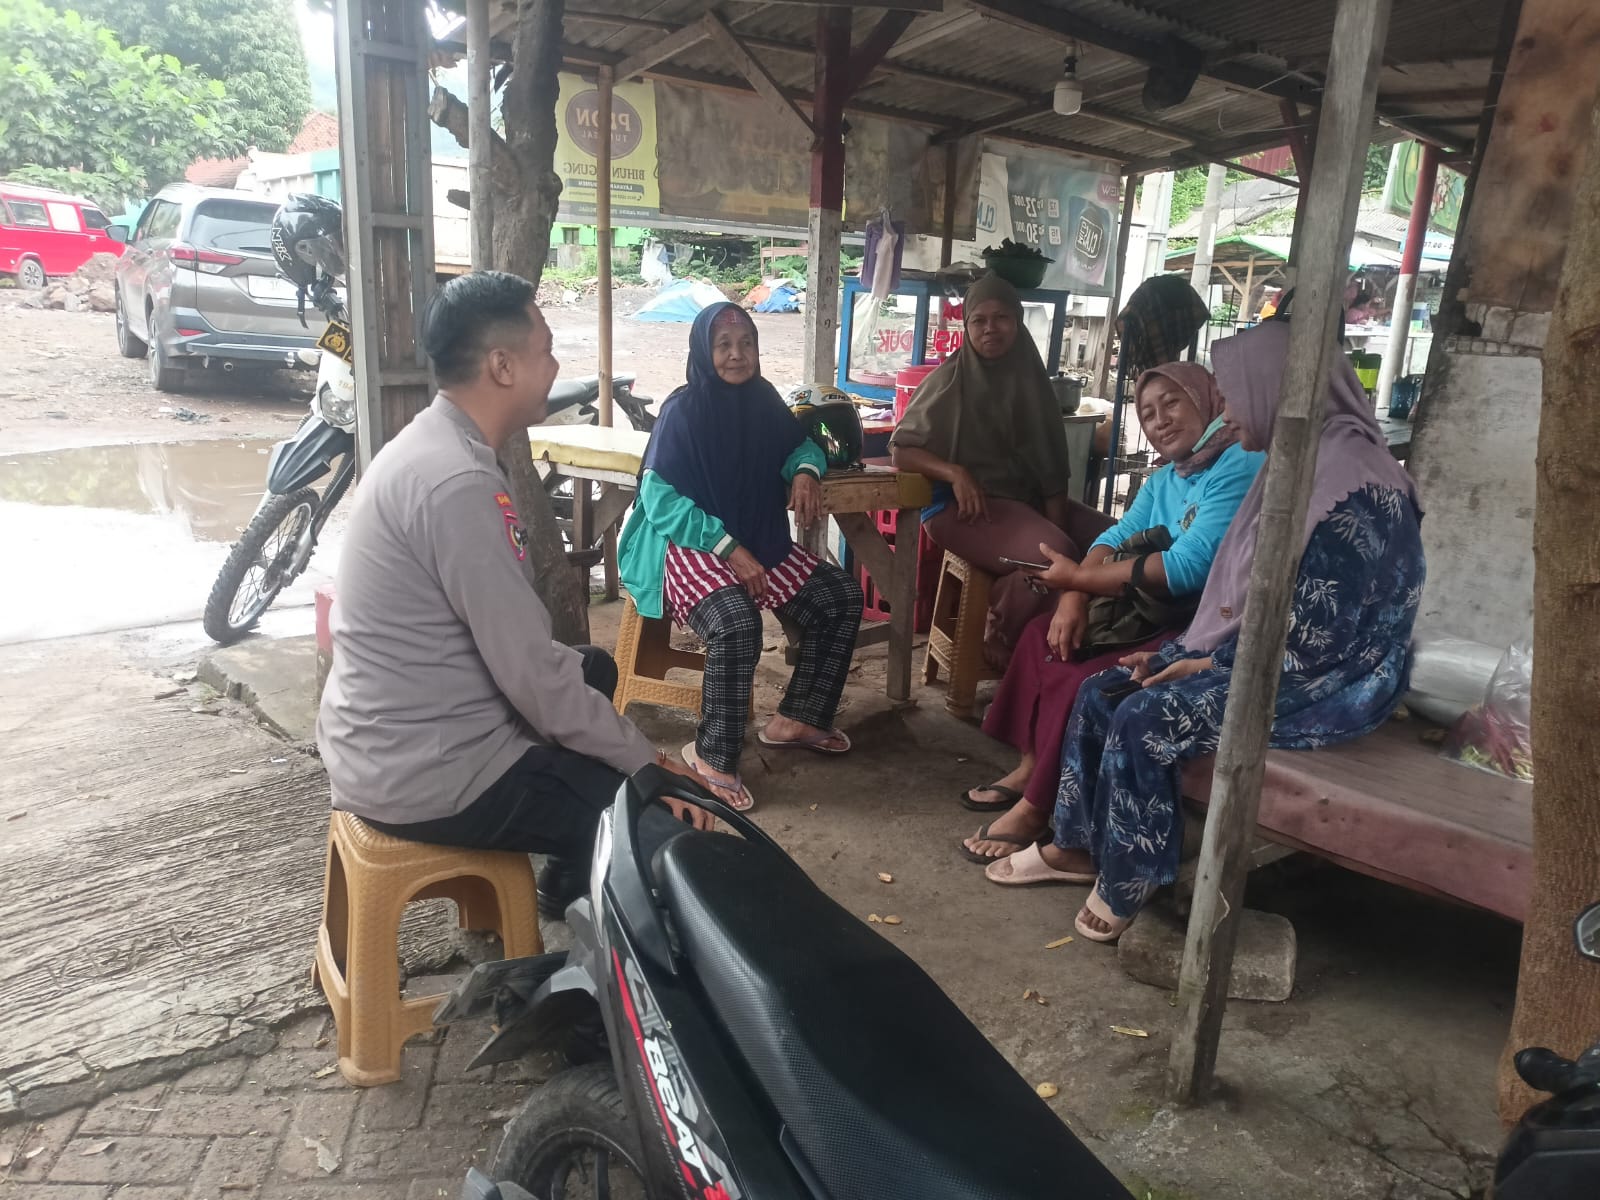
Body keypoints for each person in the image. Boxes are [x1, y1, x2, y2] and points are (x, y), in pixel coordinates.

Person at [985, 319, 1424, 944]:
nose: (1230, 411)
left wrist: (1210, 665)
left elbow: (1319, 640)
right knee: (1105, 688)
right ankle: (1076, 846)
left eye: (1234, 394)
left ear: (1277, 386)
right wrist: (1186, 652)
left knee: (1146, 716)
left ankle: (1133, 875)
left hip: (1341, 679)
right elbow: (1253, 595)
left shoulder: (1352, 487)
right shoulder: (1299, 463)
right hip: (1270, 650)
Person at [317, 271, 712, 918]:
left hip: (390, 733)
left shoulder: (430, 443)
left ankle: (566, 880)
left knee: (593, 668)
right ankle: (599, 930)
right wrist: (651, 764)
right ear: (502, 366)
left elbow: (532, 667)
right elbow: (530, 676)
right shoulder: (459, 484)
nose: (555, 366)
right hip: (429, 772)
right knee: (659, 823)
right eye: (546, 350)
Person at [959, 363, 1263, 864]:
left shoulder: (1237, 463)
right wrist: (1073, 596)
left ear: (1205, 400)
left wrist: (1077, 581)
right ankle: (1032, 767)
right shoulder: (1166, 477)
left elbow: (1187, 568)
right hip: (1142, 607)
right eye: (1148, 413)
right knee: (1043, 634)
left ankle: (1037, 806)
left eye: (1172, 403)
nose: (1160, 420)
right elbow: (1113, 537)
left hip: (1195, 620)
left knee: (1089, 674)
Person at [619, 302, 863, 813]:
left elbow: (802, 446)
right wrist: (728, 549)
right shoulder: (683, 410)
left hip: (754, 536)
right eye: (723, 345)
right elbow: (659, 498)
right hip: (689, 541)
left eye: (746, 343)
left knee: (838, 596)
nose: (737, 355)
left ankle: (799, 719)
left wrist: (806, 472)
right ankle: (713, 756)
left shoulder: (763, 399)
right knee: (736, 622)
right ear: (703, 352)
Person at [890, 274, 1111, 665]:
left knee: (1115, 542)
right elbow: (901, 451)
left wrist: (1056, 529)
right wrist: (956, 473)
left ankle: (1066, 634)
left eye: (1001, 317)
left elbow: (1051, 470)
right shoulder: (949, 381)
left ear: (1018, 321)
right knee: (1057, 556)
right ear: (967, 326)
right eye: (979, 320)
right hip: (957, 508)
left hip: (1024, 501)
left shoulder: (1033, 381)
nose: (990, 328)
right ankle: (1003, 637)